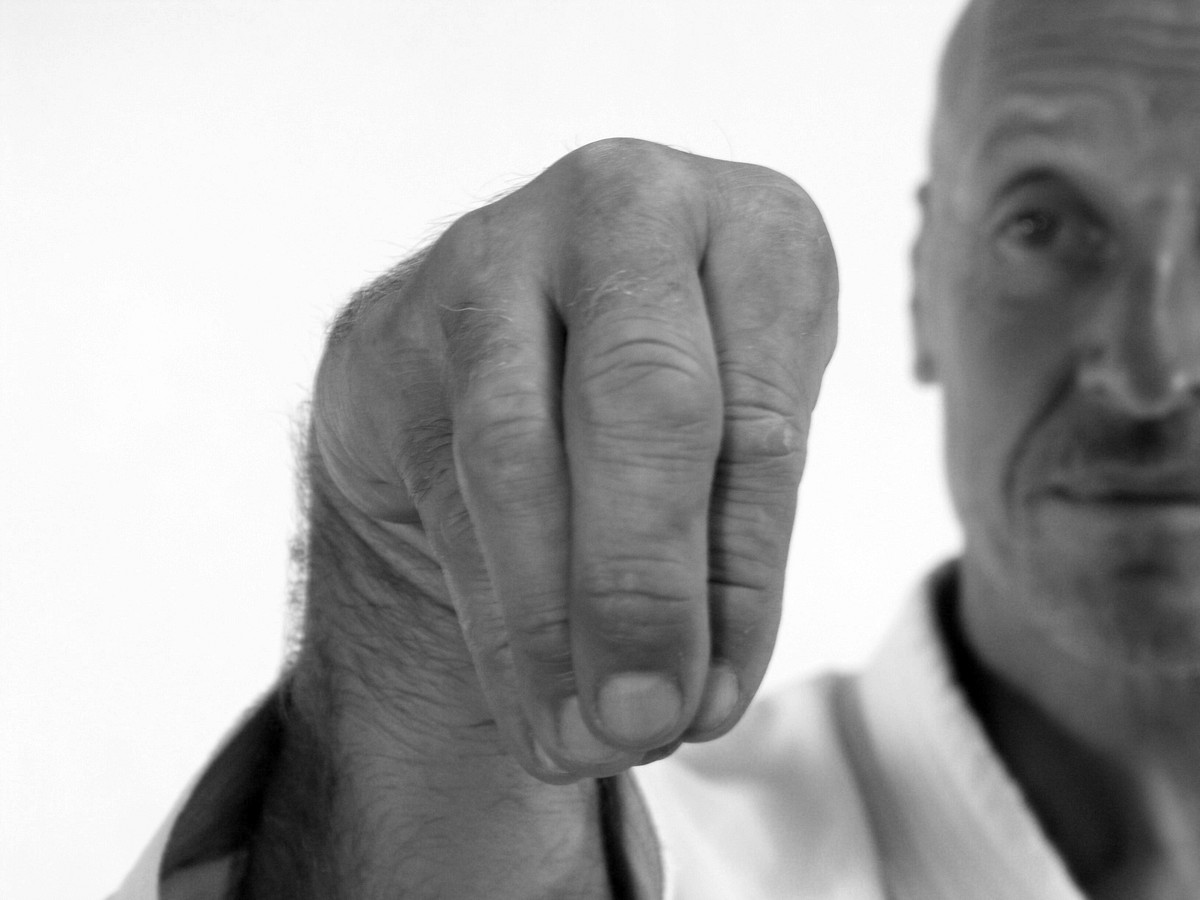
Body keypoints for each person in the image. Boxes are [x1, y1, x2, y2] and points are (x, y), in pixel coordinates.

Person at [111, 0, 1200, 896]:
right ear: (922, 285)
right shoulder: (628, 851)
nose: (1157, 368)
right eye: (1040, 224)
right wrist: (409, 593)